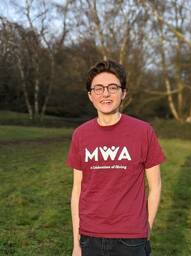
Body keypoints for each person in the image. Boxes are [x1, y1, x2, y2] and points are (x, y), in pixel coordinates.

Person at [66, 60, 165, 256]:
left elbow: (156, 186)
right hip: (89, 235)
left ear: (123, 93)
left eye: (112, 87)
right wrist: (76, 243)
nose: (105, 93)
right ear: (90, 96)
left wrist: (146, 230)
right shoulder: (80, 134)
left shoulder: (143, 131)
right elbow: (77, 189)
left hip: (131, 238)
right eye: (98, 88)